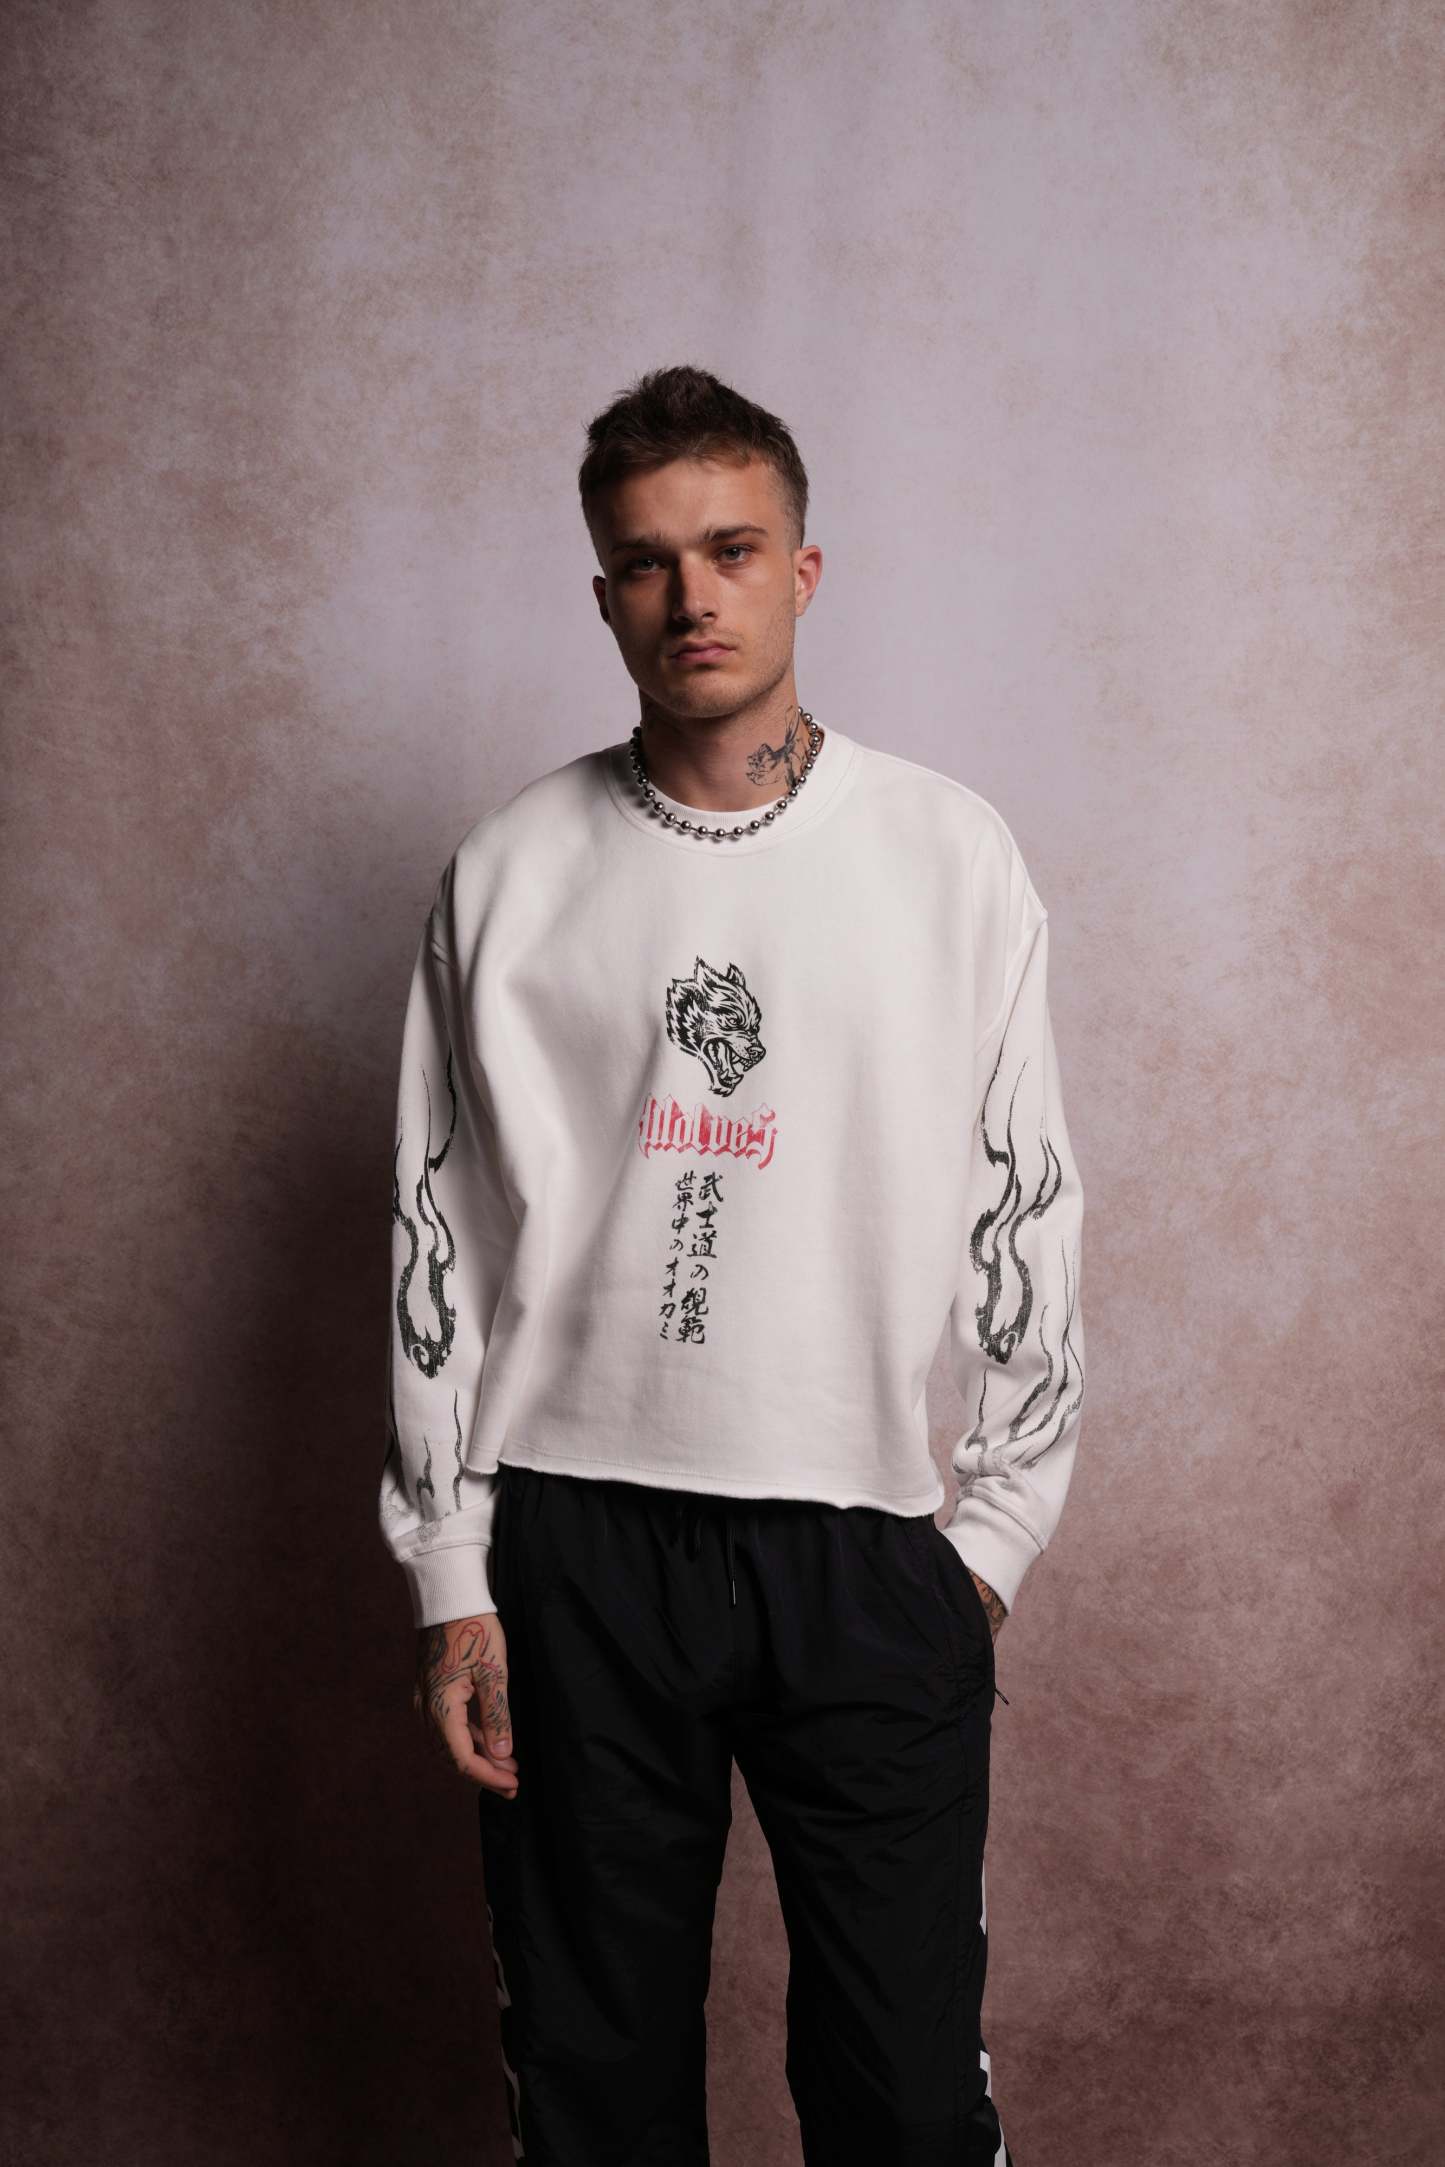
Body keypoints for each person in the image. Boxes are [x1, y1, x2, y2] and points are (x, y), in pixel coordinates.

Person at [380, 362, 1086, 2167]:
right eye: (645, 561)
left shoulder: (945, 854)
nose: (690, 595)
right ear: (602, 592)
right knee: (593, 2091)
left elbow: (1026, 1202)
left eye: (731, 549)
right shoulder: (509, 871)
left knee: (904, 2097)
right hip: (577, 1550)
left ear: (802, 571)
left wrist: (992, 1539)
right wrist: (453, 1568)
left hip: (861, 1542)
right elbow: (437, 1231)